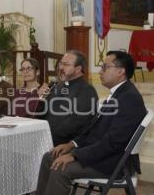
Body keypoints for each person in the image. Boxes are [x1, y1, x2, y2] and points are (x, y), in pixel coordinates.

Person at [36, 51, 147, 195]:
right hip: (103, 154)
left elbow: (113, 142)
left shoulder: (129, 98)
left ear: (120, 71)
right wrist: (71, 145)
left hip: (113, 161)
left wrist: (75, 155)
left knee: (60, 168)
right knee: (48, 157)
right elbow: (95, 130)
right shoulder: (119, 94)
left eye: (105, 67)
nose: (100, 71)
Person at [36, 50, 98, 146]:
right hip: (45, 139)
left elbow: (78, 121)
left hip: (67, 145)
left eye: (66, 64)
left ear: (78, 69)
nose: (60, 67)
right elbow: (41, 114)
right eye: (61, 63)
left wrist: (51, 135)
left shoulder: (87, 90)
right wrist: (41, 99)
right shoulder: (56, 86)